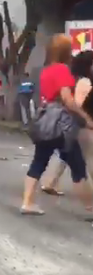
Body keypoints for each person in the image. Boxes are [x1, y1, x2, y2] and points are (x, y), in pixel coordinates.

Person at [21, 34, 93, 215]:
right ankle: (91, 207)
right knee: (78, 167)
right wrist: (85, 117)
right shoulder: (62, 70)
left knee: (39, 162)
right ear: (65, 51)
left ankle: (27, 202)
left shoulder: (46, 70)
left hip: (46, 121)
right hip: (61, 124)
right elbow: (68, 100)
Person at [41, 50, 93, 196]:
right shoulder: (84, 82)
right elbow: (78, 103)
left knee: (67, 153)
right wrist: (86, 118)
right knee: (88, 158)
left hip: (74, 124)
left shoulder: (78, 79)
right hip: (81, 125)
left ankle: (49, 182)